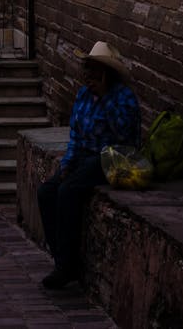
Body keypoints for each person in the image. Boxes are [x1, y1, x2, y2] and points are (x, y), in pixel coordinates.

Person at [37, 41, 141, 290]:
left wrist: (105, 98)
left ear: (107, 74)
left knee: (69, 191)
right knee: (47, 191)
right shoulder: (84, 94)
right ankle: (61, 259)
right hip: (84, 156)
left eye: (95, 72)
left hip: (112, 158)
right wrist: (67, 163)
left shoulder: (123, 97)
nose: (89, 76)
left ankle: (66, 265)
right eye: (88, 71)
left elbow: (124, 135)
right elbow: (76, 133)